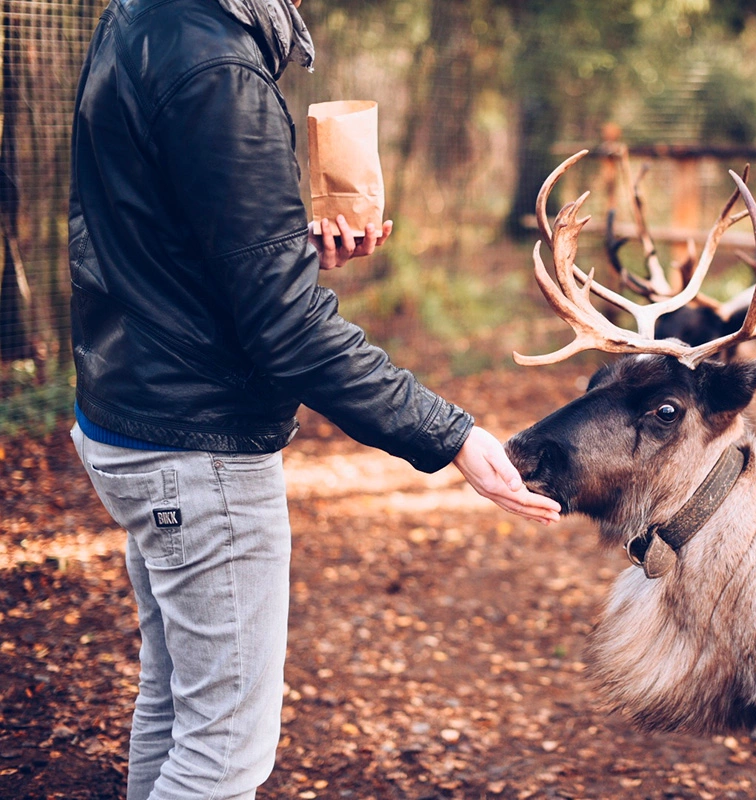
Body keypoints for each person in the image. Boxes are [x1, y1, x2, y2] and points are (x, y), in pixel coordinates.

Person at [68, 1, 560, 798]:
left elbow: (155, 236)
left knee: (177, 704)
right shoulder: (223, 68)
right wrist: (455, 437)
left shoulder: (142, 18)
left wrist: (280, 256)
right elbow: (289, 332)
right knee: (223, 752)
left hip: (132, 416)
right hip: (199, 452)